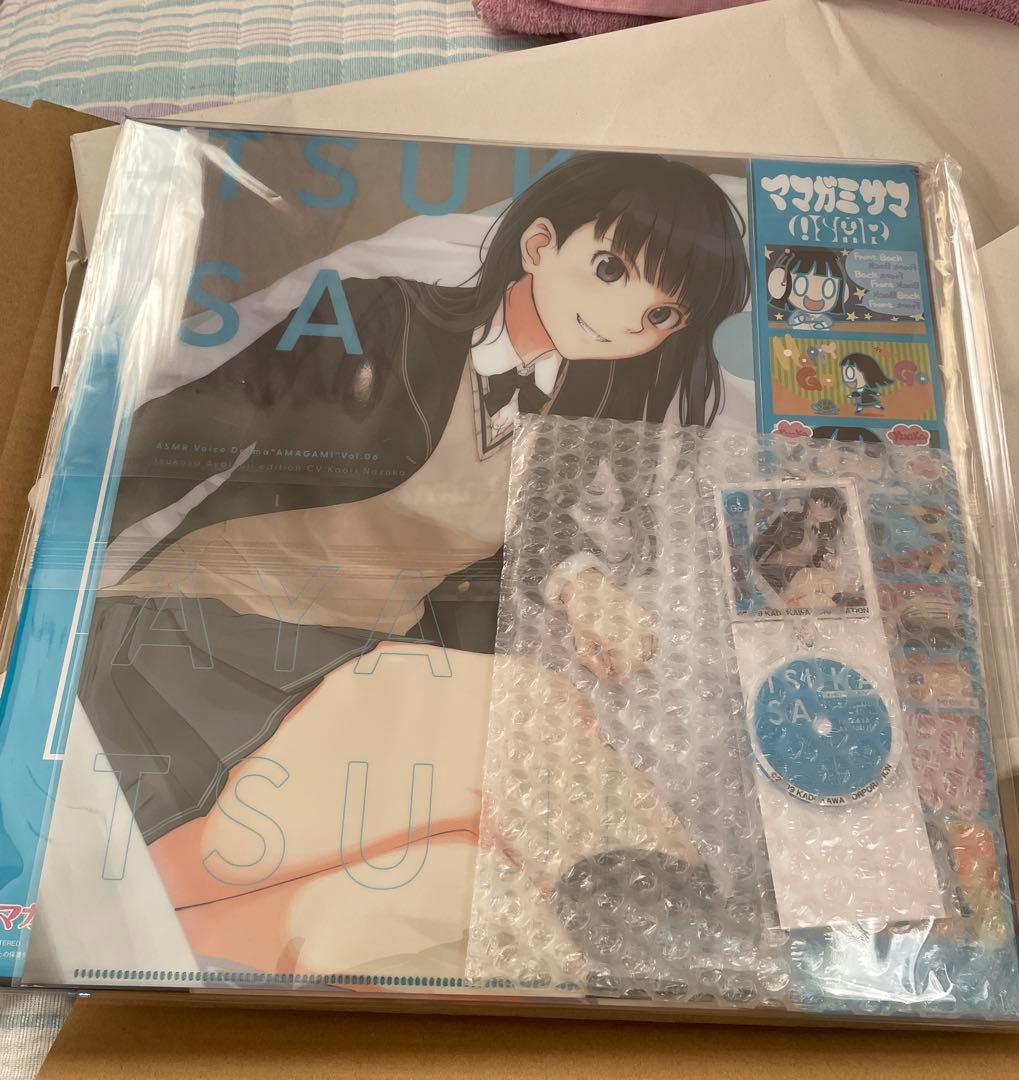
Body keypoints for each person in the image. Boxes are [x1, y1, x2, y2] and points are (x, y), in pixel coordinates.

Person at [73, 151, 752, 981]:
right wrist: (57, 572)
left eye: (660, 313)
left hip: (358, 665)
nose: (622, 320)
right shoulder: (382, 316)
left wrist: (580, 589)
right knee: (525, 711)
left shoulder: (578, 405)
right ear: (539, 245)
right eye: (609, 270)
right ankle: (703, 950)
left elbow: (530, 533)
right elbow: (190, 428)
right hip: (206, 639)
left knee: (470, 893)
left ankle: (685, 975)